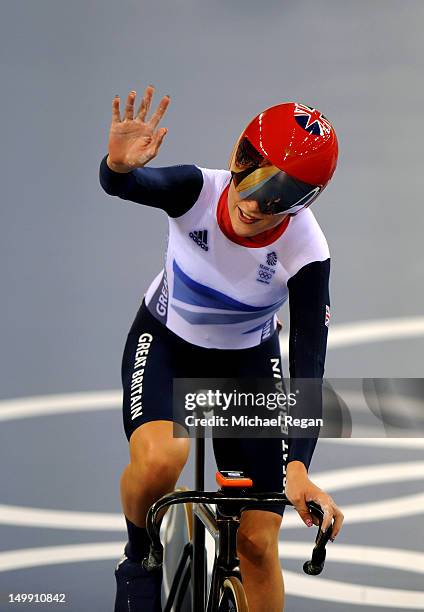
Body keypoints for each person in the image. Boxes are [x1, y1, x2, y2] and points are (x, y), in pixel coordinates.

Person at [99, 85, 344, 612]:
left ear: (307, 203)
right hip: (165, 343)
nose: (255, 203)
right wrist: (118, 168)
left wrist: (299, 466)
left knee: (257, 544)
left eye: (282, 196)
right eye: (251, 175)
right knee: (163, 457)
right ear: (237, 153)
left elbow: (309, 366)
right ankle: (139, 554)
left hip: (246, 368)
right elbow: (122, 185)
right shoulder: (194, 189)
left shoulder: (307, 252)